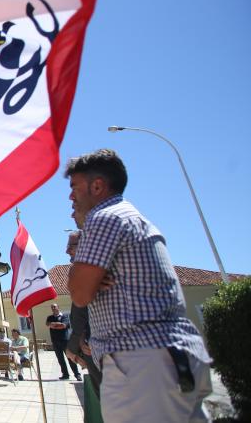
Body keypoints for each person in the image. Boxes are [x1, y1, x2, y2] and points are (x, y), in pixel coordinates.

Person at [66, 149, 213, 422]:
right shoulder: (128, 217)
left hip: (141, 365)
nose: (70, 196)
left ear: (97, 186)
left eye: (74, 187)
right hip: (165, 361)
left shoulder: (105, 217)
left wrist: (85, 272)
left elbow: (79, 292)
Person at [63, 229, 102, 396]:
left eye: (72, 246)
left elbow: (81, 310)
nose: (67, 250)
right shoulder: (84, 271)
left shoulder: (95, 271)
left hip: (100, 347)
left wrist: (72, 346)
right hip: (90, 345)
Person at [46, 303, 81, 381]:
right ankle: (65, 375)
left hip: (65, 341)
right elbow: (48, 324)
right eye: (52, 307)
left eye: (54, 307)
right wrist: (57, 325)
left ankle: (77, 374)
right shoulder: (50, 317)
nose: (53, 308)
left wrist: (54, 325)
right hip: (55, 341)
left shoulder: (64, 316)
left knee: (70, 358)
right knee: (60, 359)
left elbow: (63, 326)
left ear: (58, 307)